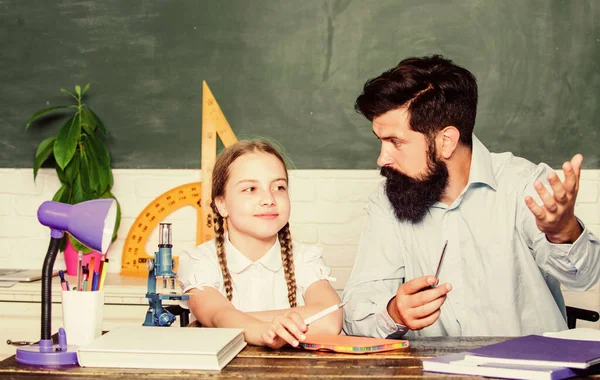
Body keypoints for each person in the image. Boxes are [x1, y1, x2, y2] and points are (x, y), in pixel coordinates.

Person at [342, 55, 600, 338]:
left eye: (395, 141)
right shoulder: (386, 200)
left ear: (446, 141)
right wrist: (393, 312)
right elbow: (355, 310)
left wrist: (563, 233)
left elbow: (583, 278)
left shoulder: (523, 184)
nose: (382, 159)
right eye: (380, 141)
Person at [178, 140, 342, 348]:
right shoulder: (199, 261)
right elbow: (217, 315)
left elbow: (329, 318)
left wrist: (241, 323)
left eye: (279, 187)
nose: (268, 199)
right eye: (250, 189)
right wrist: (267, 330)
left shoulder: (305, 257)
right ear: (221, 204)